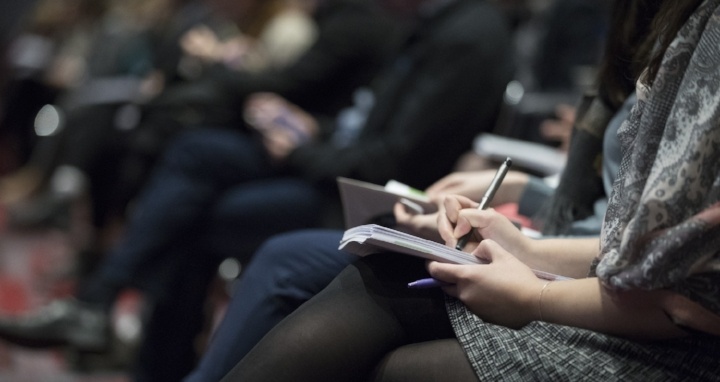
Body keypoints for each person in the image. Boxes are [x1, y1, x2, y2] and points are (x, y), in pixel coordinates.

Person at [0, 0, 515, 381]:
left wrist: (298, 149)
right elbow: (361, 122)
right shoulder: (428, 22)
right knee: (194, 153)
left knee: (202, 213)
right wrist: (309, 128)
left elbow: (390, 160)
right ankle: (117, 323)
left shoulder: (461, 35)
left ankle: (126, 333)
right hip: (333, 163)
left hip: (372, 197)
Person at [217, 0, 720, 380]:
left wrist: (535, 291)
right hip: (594, 271)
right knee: (367, 270)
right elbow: (634, 240)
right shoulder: (665, 25)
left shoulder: (700, 31)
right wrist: (522, 241)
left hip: (663, 336)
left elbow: (676, 288)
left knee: (378, 340)